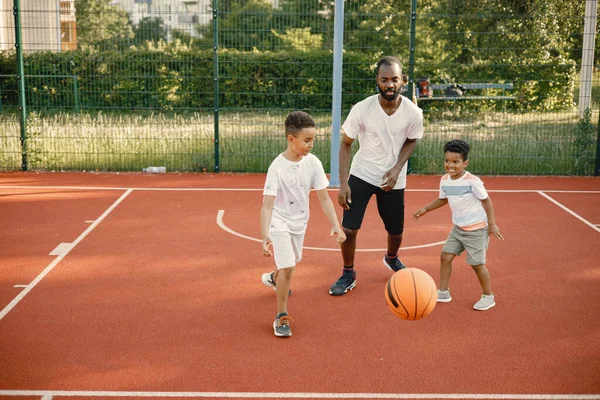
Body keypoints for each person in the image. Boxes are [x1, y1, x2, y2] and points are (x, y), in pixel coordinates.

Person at [330, 56, 424, 296]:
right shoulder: (362, 109)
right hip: (362, 174)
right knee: (349, 230)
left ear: (402, 80)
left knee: (396, 232)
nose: (389, 84)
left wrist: (397, 168)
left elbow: (412, 140)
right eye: (384, 80)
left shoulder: (413, 112)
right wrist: (343, 183)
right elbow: (346, 144)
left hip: (393, 180)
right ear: (377, 81)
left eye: (394, 79)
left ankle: (392, 258)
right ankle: (348, 273)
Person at [261, 111, 346, 337]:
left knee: (290, 263)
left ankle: (273, 277)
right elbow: (267, 205)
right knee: (289, 269)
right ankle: (281, 317)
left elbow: (324, 197)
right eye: (307, 140)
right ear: (291, 139)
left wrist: (336, 225)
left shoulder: (314, 163)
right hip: (279, 221)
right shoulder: (276, 167)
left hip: (300, 222)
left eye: (313, 140)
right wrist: (264, 235)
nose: (311, 145)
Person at [413, 139, 504, 311]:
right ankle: (443, 292)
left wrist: (492, 224)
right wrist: (426, 209)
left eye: (456, 162)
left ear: (465, 163)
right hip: (458, 229)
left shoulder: (472, 181)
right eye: (447, 161)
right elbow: (443, 199)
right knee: (445, 256)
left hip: (476, 229)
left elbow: (487, 201)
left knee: (477, 264)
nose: (450, 165)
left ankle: (488, 296)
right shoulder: (445, 180)